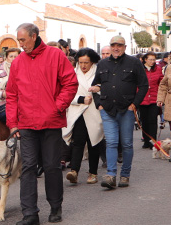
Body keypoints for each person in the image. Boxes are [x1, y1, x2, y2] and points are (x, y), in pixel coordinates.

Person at [6, 23, 78, 225]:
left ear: (34, 36)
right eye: (18, 41)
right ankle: (30, 213)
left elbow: (70, 82)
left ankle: (56, 207)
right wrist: (13, 124)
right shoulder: (18, 62)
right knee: (28, 168)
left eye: (23, 40)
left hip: (50, 121)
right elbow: (11, 94)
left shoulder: (55, 56)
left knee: (52, 166)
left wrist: (58, 106)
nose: (20, 45)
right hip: (26, 123)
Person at [91, 35, 148, 189]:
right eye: (113, 45)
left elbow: (143, 86)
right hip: (107, 110)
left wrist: (134, 104)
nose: (116, 48)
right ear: (110, 47)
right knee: (111, 142)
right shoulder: (102, 64)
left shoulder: (134, 63)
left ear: (125, 47)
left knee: (127, 144)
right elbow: (95, 85)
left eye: (119, 45)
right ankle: (111, 175)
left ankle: (125, 175)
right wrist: (99, 105)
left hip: (126, 110)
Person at [63, 48, 104, 185]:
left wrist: (98, 90)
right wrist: (80, 99)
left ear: (92, 61)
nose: (83, 65)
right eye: (80, 62)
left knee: (94, 142)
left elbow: (107, 90)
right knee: (78, 142)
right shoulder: (72, 74)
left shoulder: (100, 73)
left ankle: (93, 173)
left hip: (94, 112)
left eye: (86, 62)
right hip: (79, 112)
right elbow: (66, 94)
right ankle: (74, 171)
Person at [137, 51, 163, 149]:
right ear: (145, 60)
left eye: (154, 60)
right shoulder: (139, 69)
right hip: (142, 99)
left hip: (154, 98)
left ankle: (153, 141)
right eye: (150, 59)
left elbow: (161, 82)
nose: (152, 62)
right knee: (144, 121)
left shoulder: (158, 69)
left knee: (152, 120)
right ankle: (146, 140)